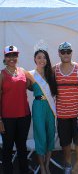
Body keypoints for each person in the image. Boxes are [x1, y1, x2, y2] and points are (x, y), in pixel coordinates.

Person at [54, 42, 78, 174]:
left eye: (68, 51)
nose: (66, 54)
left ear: (71, 53)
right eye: (63, 52)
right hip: (62, 115)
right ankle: (68, 165)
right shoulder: (54, 69)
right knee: (65, 143)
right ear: (59, 53)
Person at [0, 45, 31, 174]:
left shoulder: (23, 71)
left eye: (14, 55)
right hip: (7, 118)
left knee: (22, 147)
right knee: (7, 149)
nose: (12, 58)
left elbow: (33, 86)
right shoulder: (1, 74)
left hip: (24, 116)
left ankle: (24, 171)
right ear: (5, 58)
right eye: (9, 56)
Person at [26, 49, 57, 174]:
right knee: (40, 136)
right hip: (38, 106)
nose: (42, 60)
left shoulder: (51, 74)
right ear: (35, 59)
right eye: (39, 57)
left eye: (44, 57)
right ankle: (42, 168)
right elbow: (26, 86)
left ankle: (47, 164)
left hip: (50, 107)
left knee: (50, 135)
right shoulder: (30, 74)